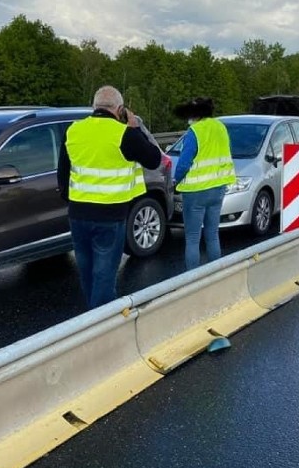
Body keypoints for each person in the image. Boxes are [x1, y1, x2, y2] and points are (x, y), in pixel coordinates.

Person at [57, 85, 162, 308]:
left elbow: (63, 175)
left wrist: (74, 201)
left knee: (86, 274)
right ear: (120, 109)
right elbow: (154, 159)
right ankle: (100, 326)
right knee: (104, 276)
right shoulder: (124, 134)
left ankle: (91, 317)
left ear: (93, 107)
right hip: (110, 216)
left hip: (78, 215)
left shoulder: (73, 130)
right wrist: (135, 128)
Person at [172, 97, 236, 270]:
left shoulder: (195, 131)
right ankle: (215, 273)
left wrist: (174, 181)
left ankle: (193, 280)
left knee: (192, 238)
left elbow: (184, 164)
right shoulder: (221, 127)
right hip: (218, 188)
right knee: (213, 234)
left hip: (196, 191)